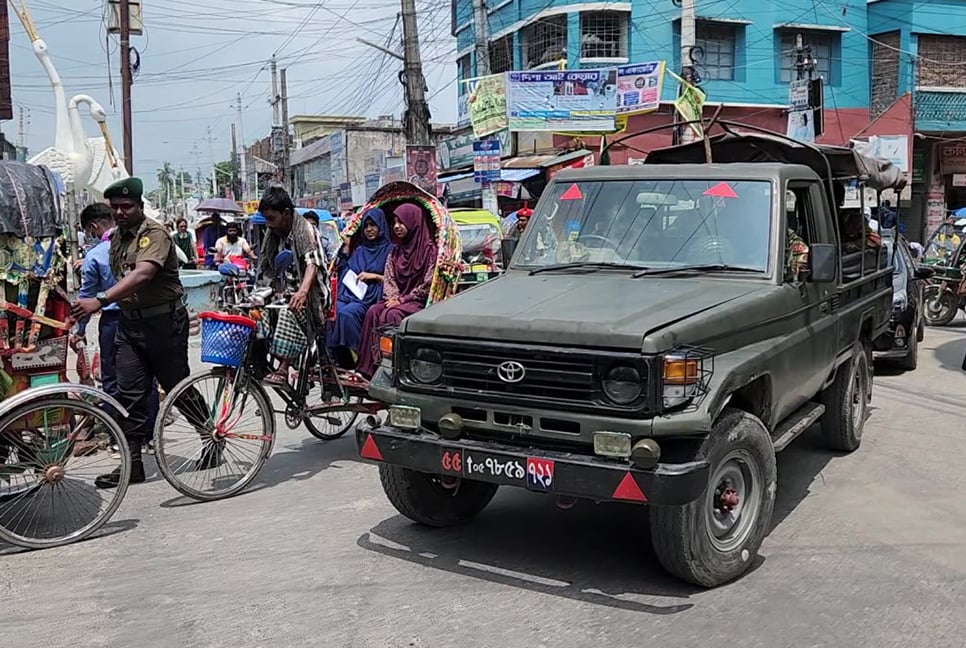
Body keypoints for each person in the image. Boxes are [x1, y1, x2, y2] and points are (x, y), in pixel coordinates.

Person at [70, 177, 202, 488]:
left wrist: (100, 300)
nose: (120, 212)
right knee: (127, 395)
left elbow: (143, 274)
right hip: (130, 325)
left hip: (163, 324)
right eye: (115, 207)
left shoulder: (154, 233)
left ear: (139, 207)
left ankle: (209, 433)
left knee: (176, 387)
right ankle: (133, 464)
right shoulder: (117, 238)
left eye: (126, 206)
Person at [74, 201, 161, 453]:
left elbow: (86, 298)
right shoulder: (139, 244)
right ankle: (150, 435)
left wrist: (79, 330)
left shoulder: (94, 255)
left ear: (92, 228)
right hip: (146, 318)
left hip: (113, 322)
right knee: (147, 378)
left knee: (113, 381)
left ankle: (120, 438)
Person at [256, 187, 331, 385]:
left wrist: (303, 291)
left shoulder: (304, 229)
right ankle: (260, 360)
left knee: (288, 312)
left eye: (271, 218)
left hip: (313, 297)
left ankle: (284, 367)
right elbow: (265, 266)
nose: (268, 223)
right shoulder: (273, 233)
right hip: (286, 292)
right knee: (257, 311)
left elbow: (312, 263)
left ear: (286, 213)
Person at [356, 203, 438, 378]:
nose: (396, 227)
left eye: (401, 222)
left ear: (413, 222)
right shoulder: (395, 252)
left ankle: (393, 371)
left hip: (418, 302)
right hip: (398, 300)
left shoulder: (429, 250)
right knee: (373, 311)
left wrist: (402, 300)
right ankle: (368, 369)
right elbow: (389, 278)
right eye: (394, 222)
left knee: (391, 315)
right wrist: (393, 297)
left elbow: (428, 283)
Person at [328, 207, 393, 368]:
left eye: (373, 225)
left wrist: (374, 276)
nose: (369, 230)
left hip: (373, 296)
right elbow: (346, 270)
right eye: (366, 226)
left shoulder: (390, 250)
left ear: (381, 226)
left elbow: (394, 279)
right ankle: (338, 359)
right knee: (332, 313)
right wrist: (347, 248)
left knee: (347, 314)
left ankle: (364, 357)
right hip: (352, 293)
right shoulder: (360, 249)